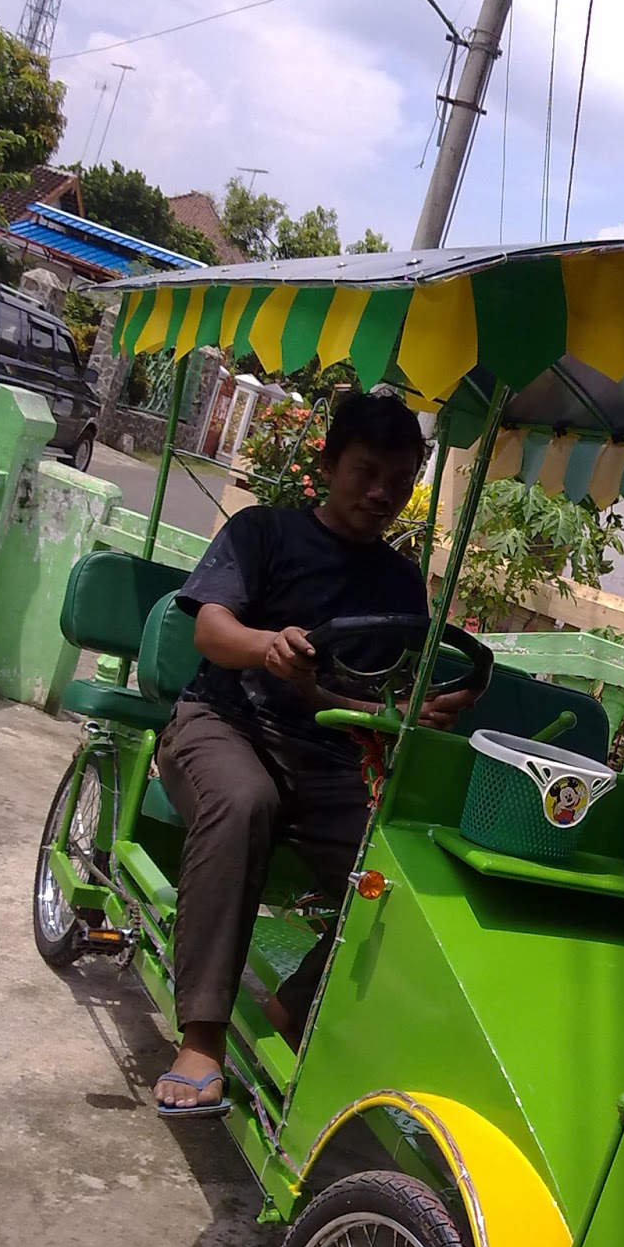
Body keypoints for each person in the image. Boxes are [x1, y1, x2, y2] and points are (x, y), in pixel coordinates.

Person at [153, 392, 472, 1117]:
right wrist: (267, 647)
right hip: (222, 724)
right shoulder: (262, 532)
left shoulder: (398, 581)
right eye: (366, 470)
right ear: (328, 464)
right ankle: (201, 1038)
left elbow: (367, 698)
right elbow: (211, 629)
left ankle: (296, 1009)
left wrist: (411, 712)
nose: (382, 492)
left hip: (327, 757)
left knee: (400, 870)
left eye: (399, 477)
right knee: (244, 803)